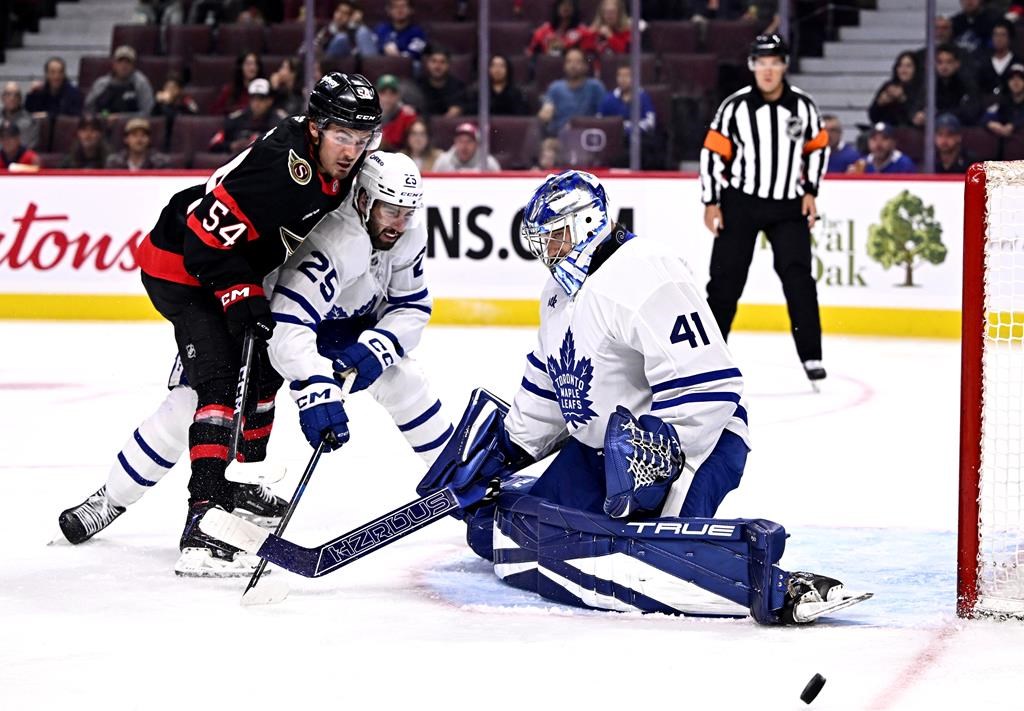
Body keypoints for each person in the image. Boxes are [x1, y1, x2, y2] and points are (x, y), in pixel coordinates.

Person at [413, 170, 867, 624]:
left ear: (586, 224)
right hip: (599, 452)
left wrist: (655, 458)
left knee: (655, 560)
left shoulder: (646, 271)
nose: (546, 253)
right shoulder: (557, 294)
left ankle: (782, 588)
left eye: (553, 238)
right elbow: (549, 387)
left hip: (695, 447)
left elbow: (710, 386)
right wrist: (502, 452)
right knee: (506, 535)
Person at [57, 73, 383, 576]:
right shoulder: (278, 170)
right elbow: (200, 241)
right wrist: (239, 292)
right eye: (343, 136)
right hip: (181, 269)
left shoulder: (337, 168)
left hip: (229, 267)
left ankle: (228, 485)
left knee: (261, 374)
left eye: (361, 141)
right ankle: (203, 522)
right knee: (216, 384)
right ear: (316, 128)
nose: (351, 151)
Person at [56, 153, 452, 555]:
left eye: (407, 211)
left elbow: (412, 305)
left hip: (333, 322)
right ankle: (111, 498)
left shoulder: (407, 231)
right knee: (193, 405)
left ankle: (460, 480)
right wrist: (316, 386)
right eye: (391, 210)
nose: (400, 223)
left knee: (404, 379)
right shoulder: (335, 240)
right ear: (365, 200)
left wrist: (379, 345)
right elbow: (287, 327)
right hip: (269, 317)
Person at [699, 35, 829, 383]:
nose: (768, 70)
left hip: (788, 203)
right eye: (761, 62)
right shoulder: (734, 107)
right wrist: (711, 200)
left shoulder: (803, 106)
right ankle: (707, 360)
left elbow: (818, 147)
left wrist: (811, 190)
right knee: (725, 281)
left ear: (784, 64)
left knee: (799, 277)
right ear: (752, 66)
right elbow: (712, 154)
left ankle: (811, 355)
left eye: (774, 62)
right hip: (741, 201)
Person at [538, 46, 605, 137]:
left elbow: (604, 117)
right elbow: (546, 109)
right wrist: (545, 113)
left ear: (586, 66)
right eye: (569, 61)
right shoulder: (555, 88)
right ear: (564, 66)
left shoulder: (595, 87)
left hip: (586, 138)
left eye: (578, 62)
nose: (573, 65)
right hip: (558, 138)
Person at [209, 78, 287, 154]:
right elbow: (214, 144)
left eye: (261, 99)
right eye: (253, 98)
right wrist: (232, 146)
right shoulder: (236, 119)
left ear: (270, 101)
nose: (256, 103)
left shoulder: (279, 121)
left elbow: (287, 147)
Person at [911, 44, 982, 127]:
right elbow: (916, 107)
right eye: (940, 62)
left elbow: (971, 112)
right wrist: (918, 116)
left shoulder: (967, 85)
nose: (944, 66)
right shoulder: (929, 85)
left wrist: (935, 114)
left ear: (957, 64)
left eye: (949, 62)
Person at [84, 45, 155, 117]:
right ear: (114, 64)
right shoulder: (102, 84)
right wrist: (105, 116)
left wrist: (120, 118)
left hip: (134, 125)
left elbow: (148, 112)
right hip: (104, 122)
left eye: (128, 62)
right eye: (120, 61)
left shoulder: (141, 83)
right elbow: (89, 110)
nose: (124, 65)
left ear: (133, 65)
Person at [868, 52, 920, 127]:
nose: (903, 70)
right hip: (886, 130)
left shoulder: (920, 88)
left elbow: (914, 117)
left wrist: (902, 99)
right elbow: (873, 117)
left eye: (908, 66)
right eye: (900, 66)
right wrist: (879, 103)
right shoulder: (888, 86)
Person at [416, 45, 466, 118]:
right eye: (434, 61)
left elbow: (455, 110)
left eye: (442, 62)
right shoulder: (417, 85)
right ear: (427, 64)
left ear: (448, 65)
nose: (437, 66)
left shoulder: (458, 86)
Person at [106, 117, 171, 170]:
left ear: (149, 139)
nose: (139, 139)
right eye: (134, 135)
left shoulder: (161, 162)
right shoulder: (114, 162)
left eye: (143, 135)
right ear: (126, 139)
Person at [211, 52, 263, 116]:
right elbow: (215, 112)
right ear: (240, 66)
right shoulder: (229, 90)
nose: (253, 68)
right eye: (248, 64)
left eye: (256, 64)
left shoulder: (264, 89)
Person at [433, 121, 501, 172]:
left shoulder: (488, 163)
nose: (464, 146)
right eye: (460, 141)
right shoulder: (443, 161)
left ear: (476, 144)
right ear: (455, 142)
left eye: (469, 141)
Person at [977, 19, 1022, 95]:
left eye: (1003, 35)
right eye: (996, 35)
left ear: (1010, 38)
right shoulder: (983, 63)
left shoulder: (1019, 62)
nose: (999, 39)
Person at [377, 73, 419, 151]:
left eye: (392, 93)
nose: (388, 97)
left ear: (399, 95)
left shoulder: (408, 116)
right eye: (383, 92)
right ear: (377, 95)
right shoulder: (369, 115)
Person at [985, 63, 1024, 136]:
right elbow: (987, 116)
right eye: (1012, 78)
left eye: (1020, 78)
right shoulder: (1004, 102)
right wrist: (991, 124)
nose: (1016, 81)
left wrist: (1013, 125)